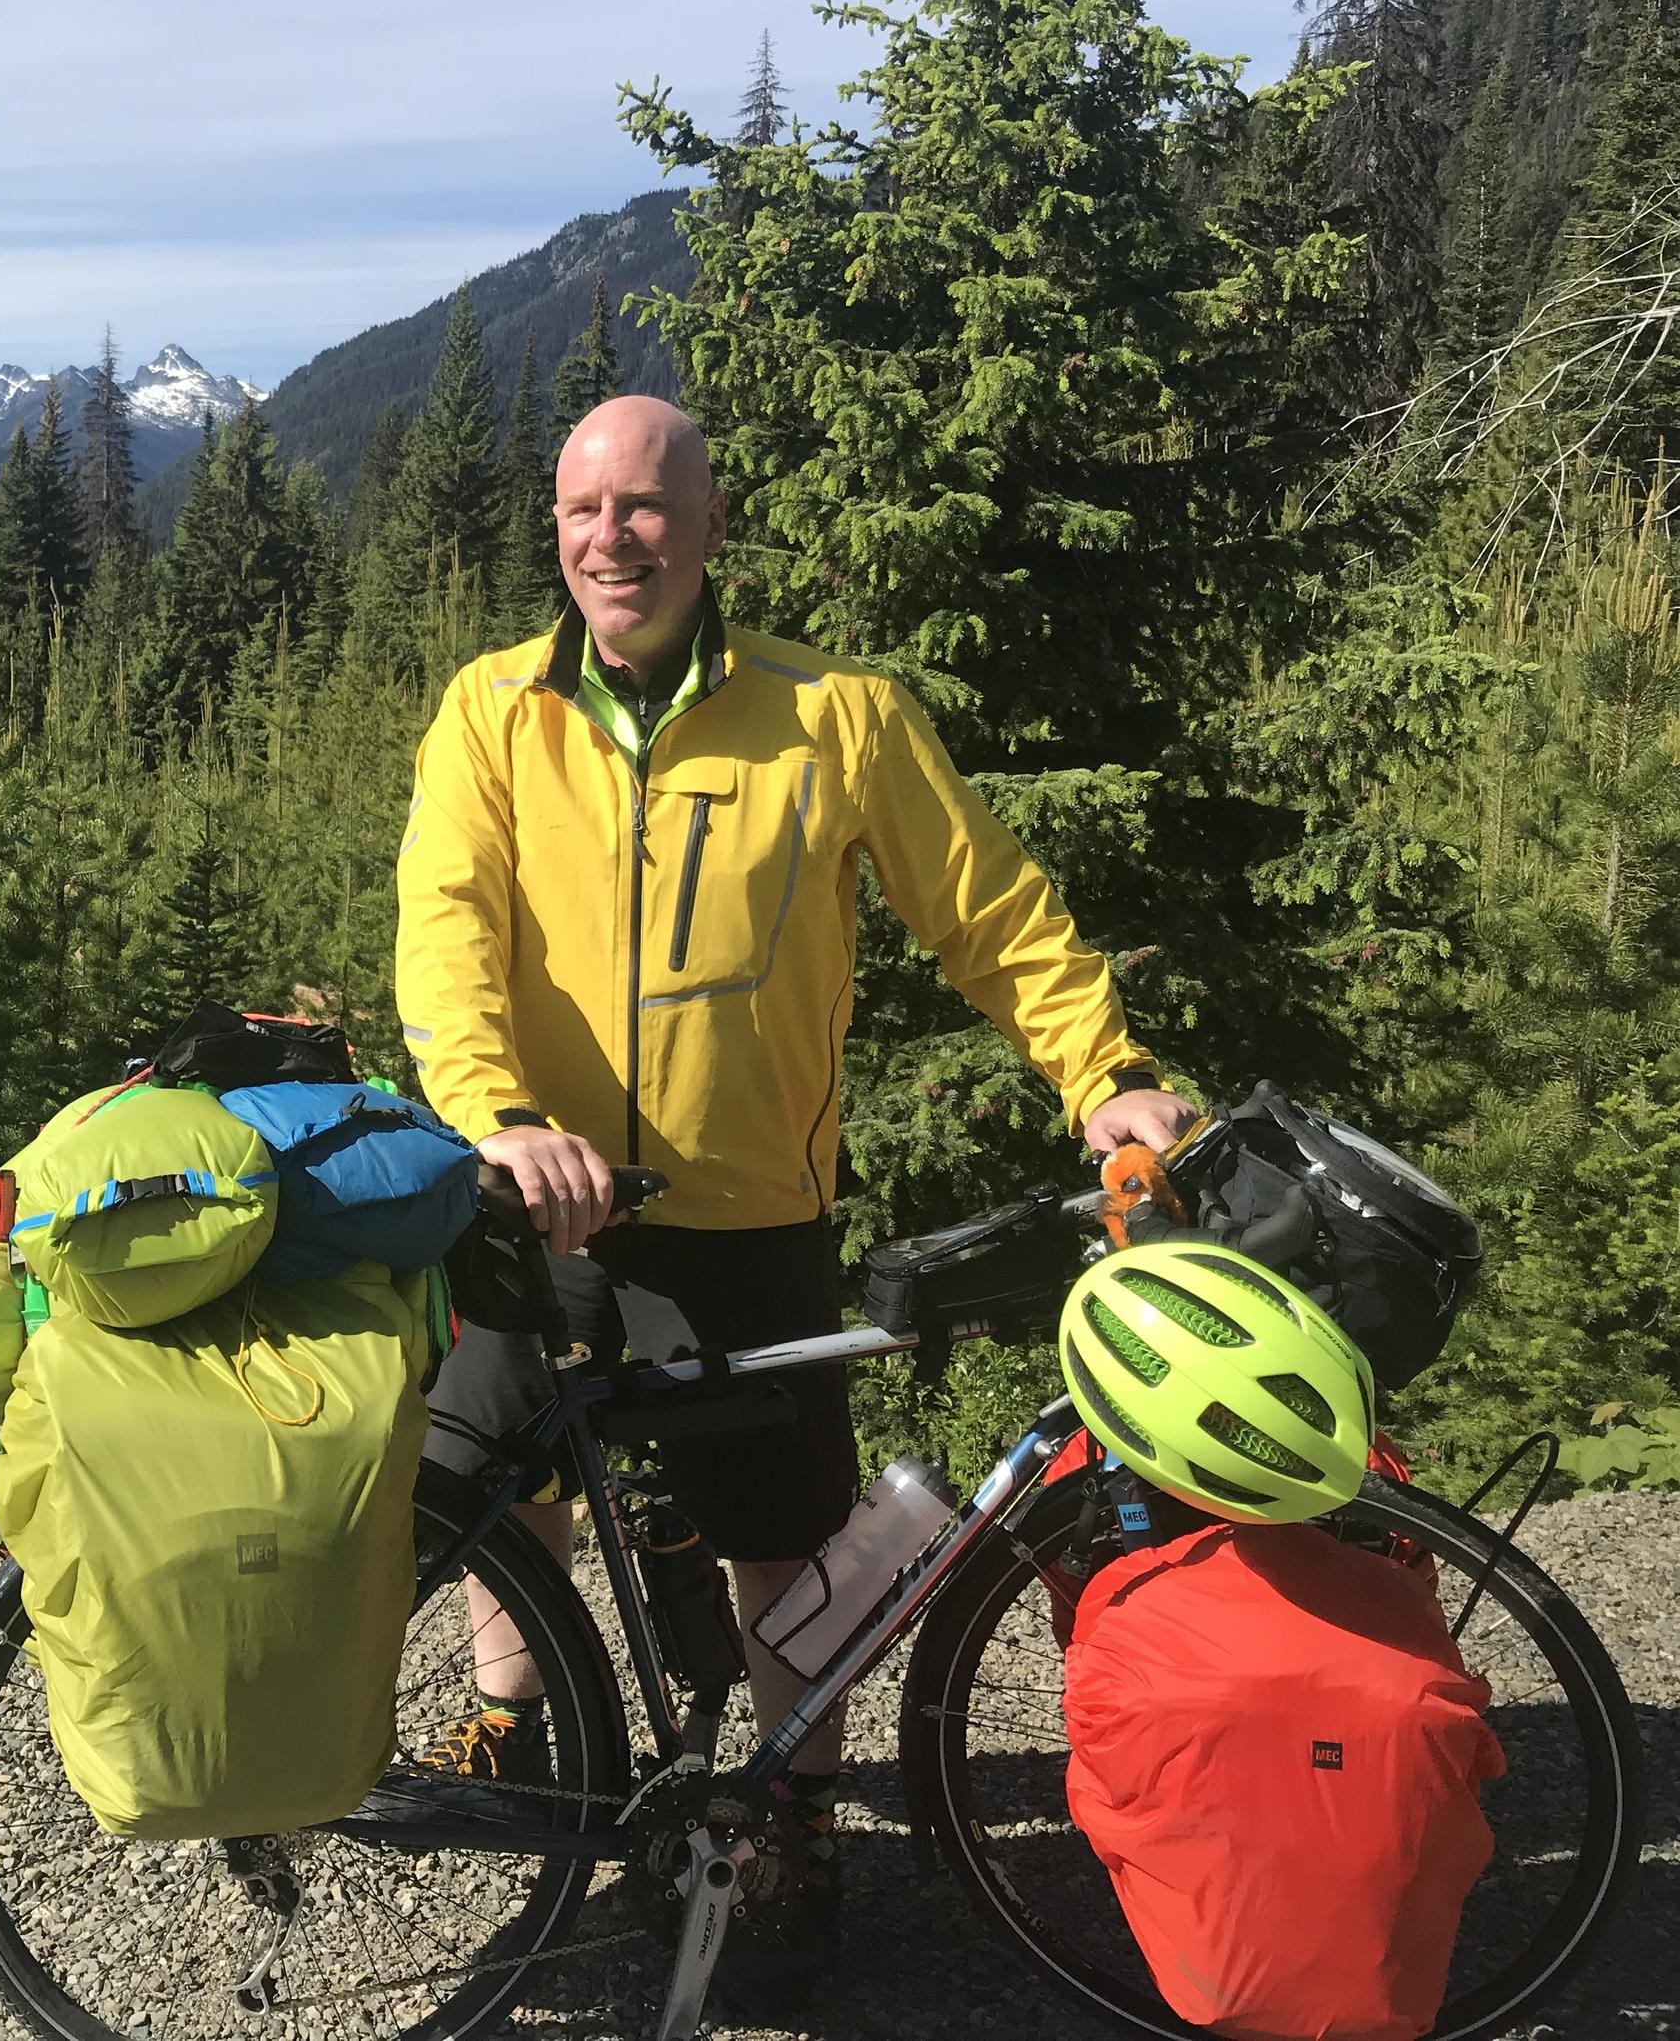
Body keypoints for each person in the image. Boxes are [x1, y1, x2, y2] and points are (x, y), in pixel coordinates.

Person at [393, 395, 1194, 1966]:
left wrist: (1103, 1076)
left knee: (786, 1531)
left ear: (707, 526)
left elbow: (992, 912)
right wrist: (491, 1115)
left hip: (748, 1207)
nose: (610, 536)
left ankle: (798, 1821)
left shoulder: (834, 714)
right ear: (552, 533)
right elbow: (447, 932)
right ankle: (514, 1720)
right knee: (499, 1487)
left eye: (644, 505)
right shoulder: (493, 710)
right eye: (581, 510)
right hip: (533, 1192)